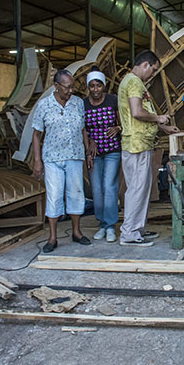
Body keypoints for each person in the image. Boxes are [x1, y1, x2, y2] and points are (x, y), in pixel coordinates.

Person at [117, 50, 179, 246]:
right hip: (136, 145)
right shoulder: (134, 82)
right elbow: (137, 112)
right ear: (145, 65)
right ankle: (129, 233)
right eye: (152, 70)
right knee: (136, 189)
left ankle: (138, 229)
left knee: (142, 189)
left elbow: (144, 112)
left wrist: (163, 127)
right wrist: (158, 118)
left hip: (140, 143)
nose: (152, 74)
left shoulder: (133, 82)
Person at [32, 69, 94, 252]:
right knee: (54, 196)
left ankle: (76, 232)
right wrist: (37, 161)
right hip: (52, 159)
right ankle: (52, 238)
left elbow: (83, 129)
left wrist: (87, 152)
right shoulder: (44, 105)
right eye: (67, 87)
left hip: (75, 156)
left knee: (76, 194)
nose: (71, 90)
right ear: (56, 86)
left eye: (72, 86)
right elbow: (36, 135)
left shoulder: (77, 104)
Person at [84, 67, 122, 243]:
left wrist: (118, 128)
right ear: (88, 87)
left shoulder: (113, 100)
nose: (95, 90)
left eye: (98, 86)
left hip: (112, 150)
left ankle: (111, 226)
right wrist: (89, 145)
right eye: (92, 86)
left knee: (109, 187)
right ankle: (102, 224)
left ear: (104, 86)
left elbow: (122, 121)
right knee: (97, 190)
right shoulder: (83, 104)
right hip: (94, 153)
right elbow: (83, 129)